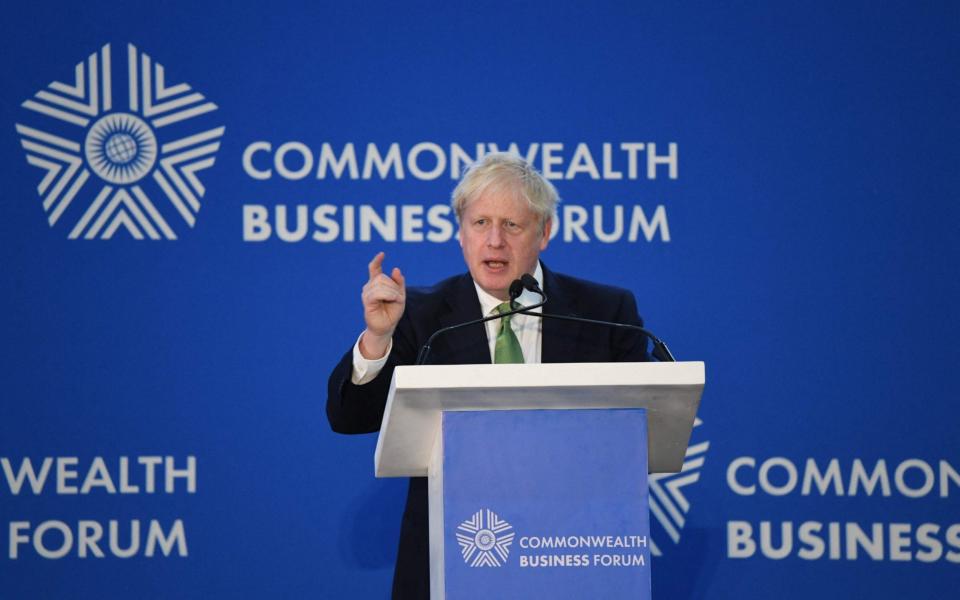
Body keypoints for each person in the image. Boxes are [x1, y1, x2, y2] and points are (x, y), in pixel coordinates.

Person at [326, 152, 650, 599]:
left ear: (545, 233)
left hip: (572, 552)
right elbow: (350, 417)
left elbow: (643, 429)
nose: (494, 241)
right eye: (480, 224)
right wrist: (377, 338)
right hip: (454, 554)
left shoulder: (605, 313)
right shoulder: (419, 315)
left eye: (511, 225)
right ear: (461, 233)